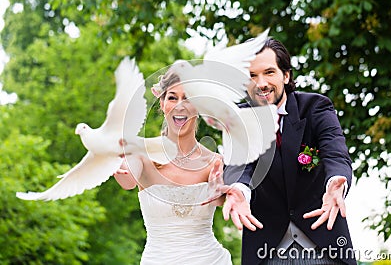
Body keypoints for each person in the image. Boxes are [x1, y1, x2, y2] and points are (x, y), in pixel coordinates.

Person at [222, 38, 357, 265]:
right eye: (252, 76)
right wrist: (238, 189)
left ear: (286, 75)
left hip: (324, 248)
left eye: (269, 72)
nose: (261, 83)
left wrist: (336, 183)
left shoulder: (315, 107)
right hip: (267, 252)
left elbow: (335, 152)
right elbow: (239, 165)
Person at [112, 63, 234, 265]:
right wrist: (122, 171)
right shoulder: (141, 152)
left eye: (188, 98)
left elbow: (222, 202)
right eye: (172, 97)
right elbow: (129, 180)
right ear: (162, 103)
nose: (180, 105)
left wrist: (218, 192)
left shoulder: (215, 161)